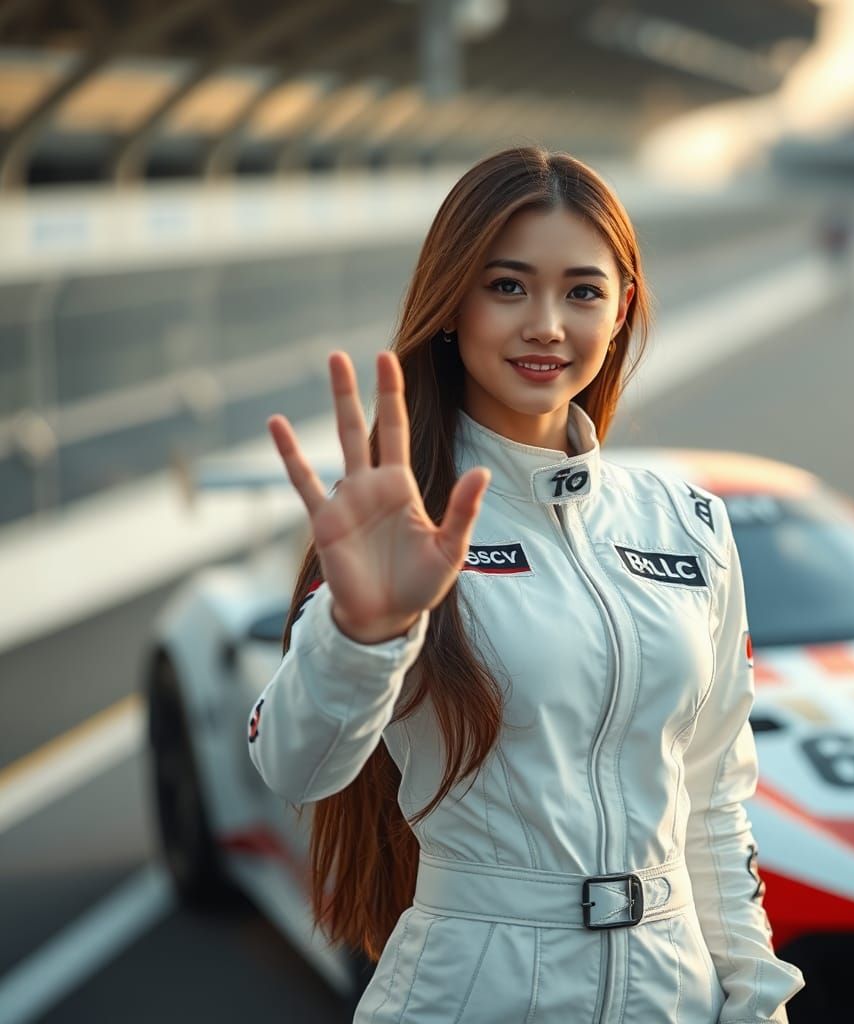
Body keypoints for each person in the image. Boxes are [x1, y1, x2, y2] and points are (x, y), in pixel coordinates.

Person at [248, 146, 805, 1023]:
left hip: (674, 988)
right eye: (508, 286)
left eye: (582, 291)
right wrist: (361, 633)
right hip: (470, 981)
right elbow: (296, 765)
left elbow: (713, 798)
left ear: (622, 310)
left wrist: (757, 996)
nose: (546, 323)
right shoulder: (399, 524)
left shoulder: (689, 521)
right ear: (451, 303)